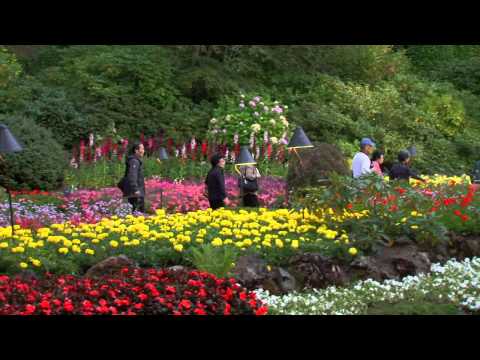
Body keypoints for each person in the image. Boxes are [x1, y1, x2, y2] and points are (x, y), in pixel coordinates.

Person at [119, 142, 146, 213]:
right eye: (142, 149)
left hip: (135, 192)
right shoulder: (134, 161)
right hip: (135, 193)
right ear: (136, 151)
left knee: (136, 213)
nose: (143, 151)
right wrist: (135, 189)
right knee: (138, 213)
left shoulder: (135, 160)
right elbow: (132, 175)